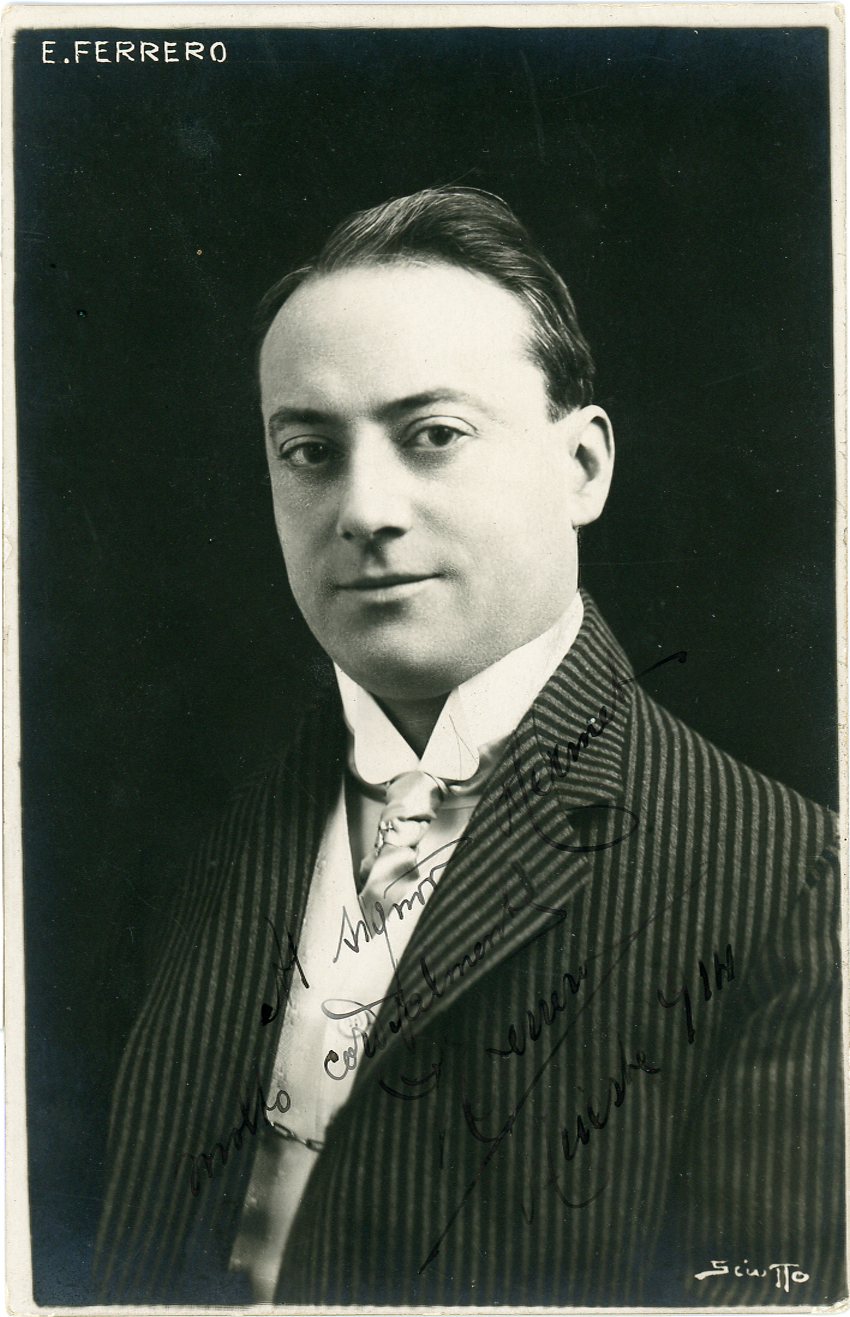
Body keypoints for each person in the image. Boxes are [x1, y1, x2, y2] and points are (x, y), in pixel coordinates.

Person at [94, 188, 844, 1307]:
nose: (364, 509)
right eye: (310, 450)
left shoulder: (795, 884)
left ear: (583, 466)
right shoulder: (175, 831)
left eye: (433, 435)